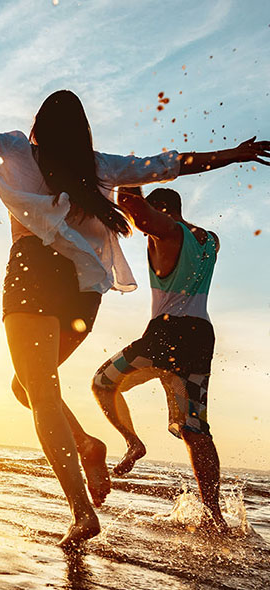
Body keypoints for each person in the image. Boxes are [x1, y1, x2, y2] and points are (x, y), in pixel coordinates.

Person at [0, 40, 270, 546]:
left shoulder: (13, 149)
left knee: (42, 394)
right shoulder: (99, 167)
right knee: (26, 387)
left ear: (37, 126)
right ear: (82, 133)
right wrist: (236, 155)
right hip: (83, 295)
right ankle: (92, 448)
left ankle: (81, 510)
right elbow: (169, 164)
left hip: (32, 276)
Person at [92, 186, 233, 530]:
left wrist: (130, 175)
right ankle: (214, 516)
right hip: (201, 337)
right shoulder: (210, 240)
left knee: (102, 382)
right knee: (194, 428)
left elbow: (137, 213)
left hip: (166, 335)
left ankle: (133, 443)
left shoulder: (168, 231)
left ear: (163, 211)